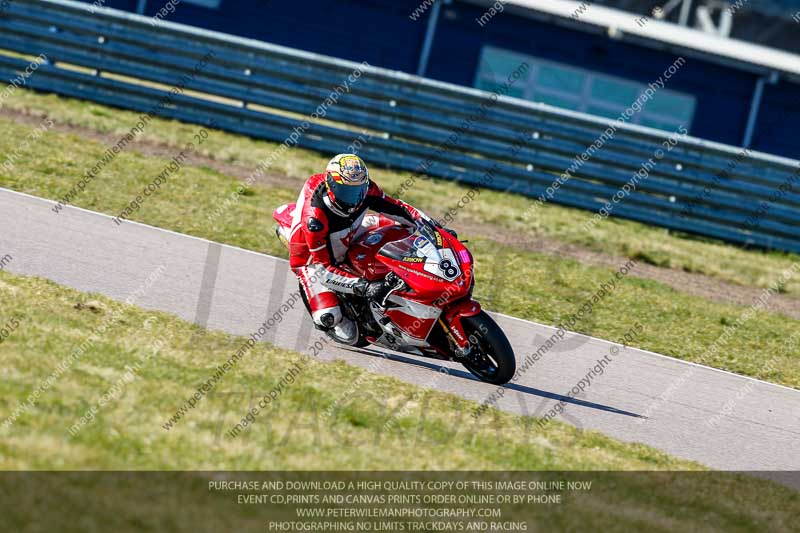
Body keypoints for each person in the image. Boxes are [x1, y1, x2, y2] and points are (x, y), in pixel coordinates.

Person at [285, 154, 431, 340]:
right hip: (312, 258)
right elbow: (324, 268)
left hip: (351, 229)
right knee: (328, 318)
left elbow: (398, 208)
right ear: (332, 186)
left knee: (407, 229)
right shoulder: (316, 220)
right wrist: (364, 286)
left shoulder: (367, 189)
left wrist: (434, 227)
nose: (354, 199)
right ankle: (338, 313)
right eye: (346, 192)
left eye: (358, 191)